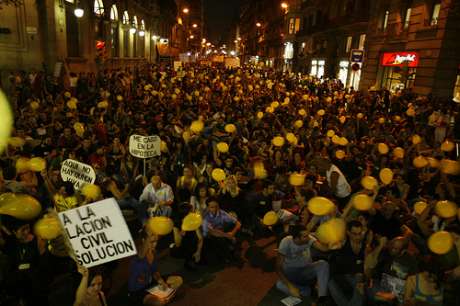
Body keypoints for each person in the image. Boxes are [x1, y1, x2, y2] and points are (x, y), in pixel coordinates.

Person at [276, 225, 332, 305]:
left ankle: (321, 298)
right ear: (297, 238)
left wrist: (333, 244)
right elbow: (278, 267)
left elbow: (324, 249)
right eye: (305, 236)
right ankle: (305, 290)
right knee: (279, 285)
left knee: (323, 264)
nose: (308, 237)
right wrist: (290, 286)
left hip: (307, 271)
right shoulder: (286, 242)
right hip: (291, 274)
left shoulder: (309, 239)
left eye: (308, 235)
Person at [128, 229, 182, 305]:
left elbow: (154, 271)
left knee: (178, 280)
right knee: (159, 302)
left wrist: (161, 281)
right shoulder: (139, 254)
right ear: (144, 241)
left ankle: (166, 297)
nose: (154, 245)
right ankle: (165, 298)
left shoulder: (153, 252)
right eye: (151, 242)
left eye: (156, 241)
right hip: (138, 291)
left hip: (151, 284)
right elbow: (141, 254)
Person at [202, 198, 241, 264]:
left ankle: (233, 249)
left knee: (234, 227)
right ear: (208, 208)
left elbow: (238, 223)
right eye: (212, 207)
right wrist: (228, 236)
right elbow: (213, 232)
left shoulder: (221, 212)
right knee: (219, 238)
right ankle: (228, 256)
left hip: (221, 232)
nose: (215, 209)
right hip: (209, 237)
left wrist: (232, 233)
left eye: (216, 206)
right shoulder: (206, 217)